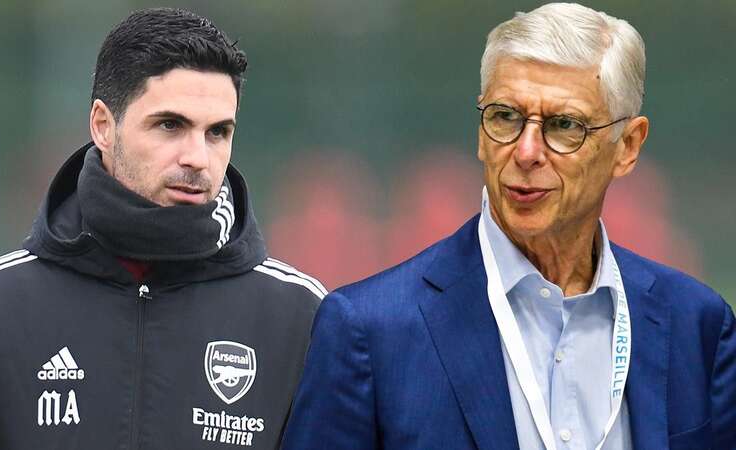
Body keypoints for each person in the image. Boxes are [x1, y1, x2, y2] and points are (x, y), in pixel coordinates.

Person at [281, 3, 736, 450]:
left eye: (563, 125)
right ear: (481, 133)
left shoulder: (697, 326)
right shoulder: (371, 331)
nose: (526, 151)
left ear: (628, 146)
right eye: (505, 117)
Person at [0, 8, 325, 450]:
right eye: (170, 125)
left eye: (217, 132)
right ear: (103, 126)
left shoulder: (302, 318)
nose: (197, 156)